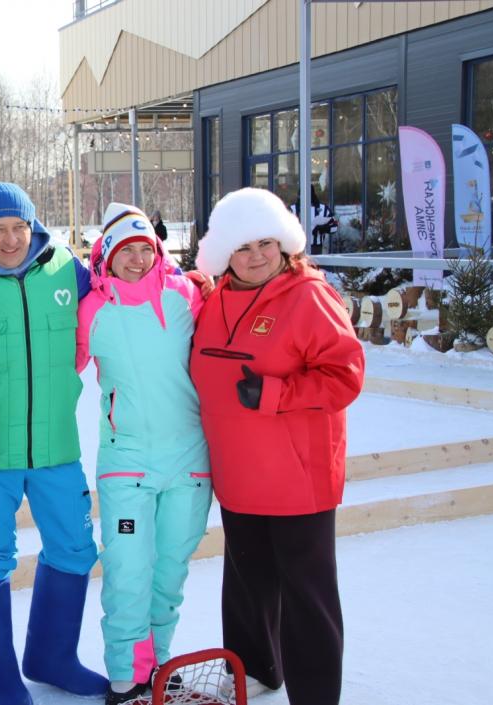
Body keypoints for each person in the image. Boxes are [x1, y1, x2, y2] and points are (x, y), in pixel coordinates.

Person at [189, 187, 364, 705]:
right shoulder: (215, 296)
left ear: (284, 243)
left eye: (266, 242)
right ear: (225, 255)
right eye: (243, 248)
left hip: (297, 478)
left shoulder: (310, 296)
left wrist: (275, 393)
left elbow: (345, 376)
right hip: (239, 475)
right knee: (245, 584)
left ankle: (315, 695)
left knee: (307, 596)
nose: (257, 256)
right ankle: (255, 670)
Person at [0, 182, 107, 705]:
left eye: (19, 228)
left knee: (77, 549)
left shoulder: (66, 271)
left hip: (57, 445)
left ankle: (51, 657)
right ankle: (1, 673)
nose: (11, 240)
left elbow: (128, 284)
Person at [75, 203, 212, 705]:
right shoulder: (91, 309)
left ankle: (159, 667)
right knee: (129, 570)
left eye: (145, 249)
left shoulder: (186, 296)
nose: (136, 259)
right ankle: (125, 678)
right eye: (125, 251)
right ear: (106, 256)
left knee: (170, 571)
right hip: (127, 465)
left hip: (190, 462)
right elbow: (59, 364)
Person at [290, 186, 337, 255]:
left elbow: (334, 227)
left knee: (314, 265)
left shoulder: (323, 209)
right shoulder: (292, 209)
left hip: (316, 248)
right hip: (296, 247)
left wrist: (323, 228)